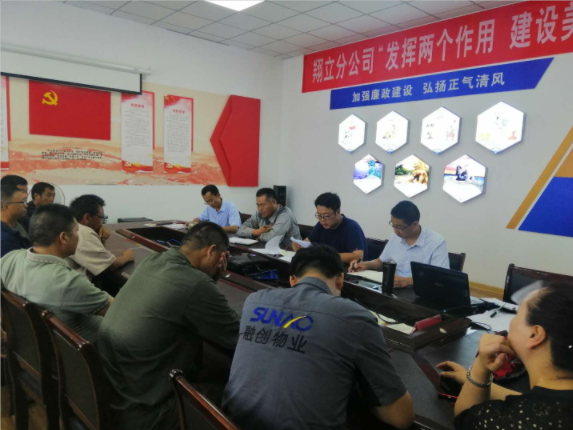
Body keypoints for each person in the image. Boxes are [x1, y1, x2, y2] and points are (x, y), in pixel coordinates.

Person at [222, 245, 414, 430]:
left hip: (226, 422)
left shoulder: (254, 301)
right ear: (340, 280)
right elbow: (401, 417)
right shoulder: (354, 317)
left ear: (292, 280)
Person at [98, 222, 240, 430]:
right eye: (222, 257)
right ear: (211, 251)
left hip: (114, 396)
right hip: (147, 412)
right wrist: (212, 279)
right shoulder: (196, 284)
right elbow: (238, 336)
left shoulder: (152, 260)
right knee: (234, 393)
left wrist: (211, 278)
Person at [437, 284, 573, 430]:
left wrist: (479, 368)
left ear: (534, 335)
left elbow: (465, 418)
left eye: (517, 314)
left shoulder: (513, 420)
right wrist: (473, 380)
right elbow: (542, 399)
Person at [1, 204, 112, 342]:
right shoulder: (68, 281)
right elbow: (116, 311)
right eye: (76, 231)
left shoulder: (10, 258)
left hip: (34, 345)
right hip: (89, 349)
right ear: (63, 237)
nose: (79, 237)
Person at [350, 201, 449, 288]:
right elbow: (381, 262)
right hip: (395, 289)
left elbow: (439, 277)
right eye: (393, 225)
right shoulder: (395, 237)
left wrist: (408, 281)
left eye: (399, 227)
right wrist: (365, 265)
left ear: (415, 224)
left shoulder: (436, 242)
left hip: (420, 291)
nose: (395, 231)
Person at [67, 194, 134, 280]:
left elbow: (99, 257)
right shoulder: (84, 232)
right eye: (101, 217)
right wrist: (127, 256)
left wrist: (101, 237)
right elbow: (110, 265)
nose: (102, 222)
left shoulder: (68, 224)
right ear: (87, 217)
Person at [292, 192, 367, 263]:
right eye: (319, 215)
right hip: (328, 265)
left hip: (349, 269)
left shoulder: (352, 227)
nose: (322, 220)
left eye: (326, 216)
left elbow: (358, 256)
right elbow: (306, 242)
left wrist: (326, 255)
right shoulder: (321, 225)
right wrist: (298, 246)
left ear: (338, 212)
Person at [1, 184, 32, 257]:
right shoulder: (4, 239)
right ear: (6, 206)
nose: (26, 205)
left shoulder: (23, 222)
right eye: (22, 202)